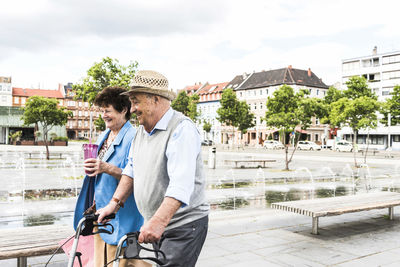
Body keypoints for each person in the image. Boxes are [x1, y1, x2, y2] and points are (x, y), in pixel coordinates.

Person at [97, 70, 210, 266]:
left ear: (156, 99)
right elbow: (131, 170)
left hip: (183, 225)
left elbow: (180, 185)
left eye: (136, 101)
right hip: (157, 223)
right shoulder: (142, 131)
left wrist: (158, 222)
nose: (132, 109)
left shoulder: (181, 129)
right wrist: (114, 203)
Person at [74, 86, 150, 267]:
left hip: (123, 214)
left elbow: (138, 176)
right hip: (101, 213)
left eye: (107, 111)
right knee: (103, 261)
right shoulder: (105, 136)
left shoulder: (134, 137)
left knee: (122, 261)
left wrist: (106, 168)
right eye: (102, 111)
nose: (103, 115)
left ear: (123, 110)